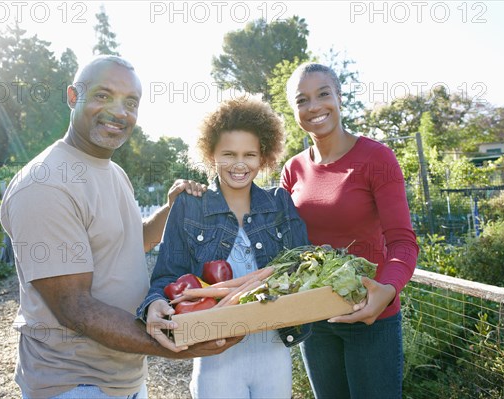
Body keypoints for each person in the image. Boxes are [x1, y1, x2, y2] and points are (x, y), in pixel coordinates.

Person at [0, 55, 238, 399]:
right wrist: (178, 343)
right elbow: (75, 308)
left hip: (122, 378)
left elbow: (128, 242)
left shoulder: (112, 171)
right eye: (102, 95)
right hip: (74, 385)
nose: (119, 111)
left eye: (131, 102)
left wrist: (171, 211)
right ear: (72, 96)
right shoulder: (46, 184)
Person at [137, 97, 311, 398]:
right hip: (215, 360)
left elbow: (307, 270)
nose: (240, 164)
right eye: (228, 154)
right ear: (211, 154)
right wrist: (152, 305)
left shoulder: (280, 204)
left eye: (250, 154)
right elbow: (167, 278)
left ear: (264, 157)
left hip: (274, 355)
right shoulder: (189, 207)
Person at [281, 62, 419, 399]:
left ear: (340, 97)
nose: (314, 106)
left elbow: (403, 242)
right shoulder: (293, 169)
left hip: (370, 317)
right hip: (316, 318)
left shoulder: (377, 158)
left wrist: (386, 290)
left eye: (323, 94)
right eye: (302, 100)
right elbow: (289, 247)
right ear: (294, 110)